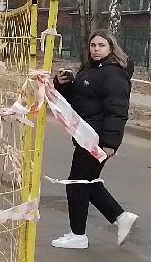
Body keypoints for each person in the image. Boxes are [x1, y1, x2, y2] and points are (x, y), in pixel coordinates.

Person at [49, 31, 138, 250]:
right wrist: (63, 84)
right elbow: (77, 100)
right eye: (93, 45)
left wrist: (109, 144)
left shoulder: (114, 75)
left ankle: (78, 235)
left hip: (96, 138)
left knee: (77, 183)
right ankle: (120, 216)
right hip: (84, 134)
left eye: (101, 45)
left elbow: (117, 111)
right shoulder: (90, 70)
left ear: (111, 48)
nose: (96, 49)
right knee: (88, 182)